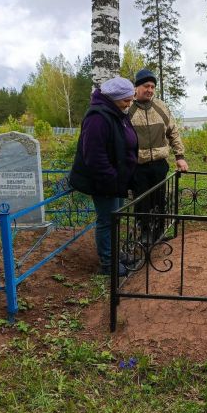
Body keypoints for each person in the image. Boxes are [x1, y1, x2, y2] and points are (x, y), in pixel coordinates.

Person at [69, 76, 138, 276]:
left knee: (114, 219)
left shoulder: (117, 112)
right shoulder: (97, 118)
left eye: (131, 99)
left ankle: (115, 254)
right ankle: (108, 263)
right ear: (114, 98)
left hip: (116, 179)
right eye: (126, 100)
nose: (129, 103)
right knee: (106, 220)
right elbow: (95, 156)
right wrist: (112, 180)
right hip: (104, 181)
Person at [129, 68, 188, 244]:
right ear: (137, 88)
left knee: (159, 197)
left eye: (153, 87)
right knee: (142, 199)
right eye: (146, 86)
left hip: (159, 163)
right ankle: (145, 231)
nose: (150, 90)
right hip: (138, 165)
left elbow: (173, 132)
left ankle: (160, 230)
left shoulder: (161, 106)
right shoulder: (128, 109)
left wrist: (180, 156)